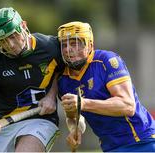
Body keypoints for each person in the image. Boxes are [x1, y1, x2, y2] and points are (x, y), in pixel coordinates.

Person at [57, 21, 155, 152]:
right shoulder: (63, 80)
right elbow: (74, 115)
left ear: (90, 44)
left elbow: (127, 105)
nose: (68, 49)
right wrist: (76, 130)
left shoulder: (106, 61)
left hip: (142, 141)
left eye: (74, 43)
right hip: (110, 147)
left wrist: (83, 103)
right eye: (64, 45)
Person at [0, 7, 64, 152]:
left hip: (41, 121)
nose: (9, 45)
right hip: (4, 124)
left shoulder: (51, 47)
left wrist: (51, 95)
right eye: (1, 41)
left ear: (23, 25)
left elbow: (62, 72)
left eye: (13, 36)